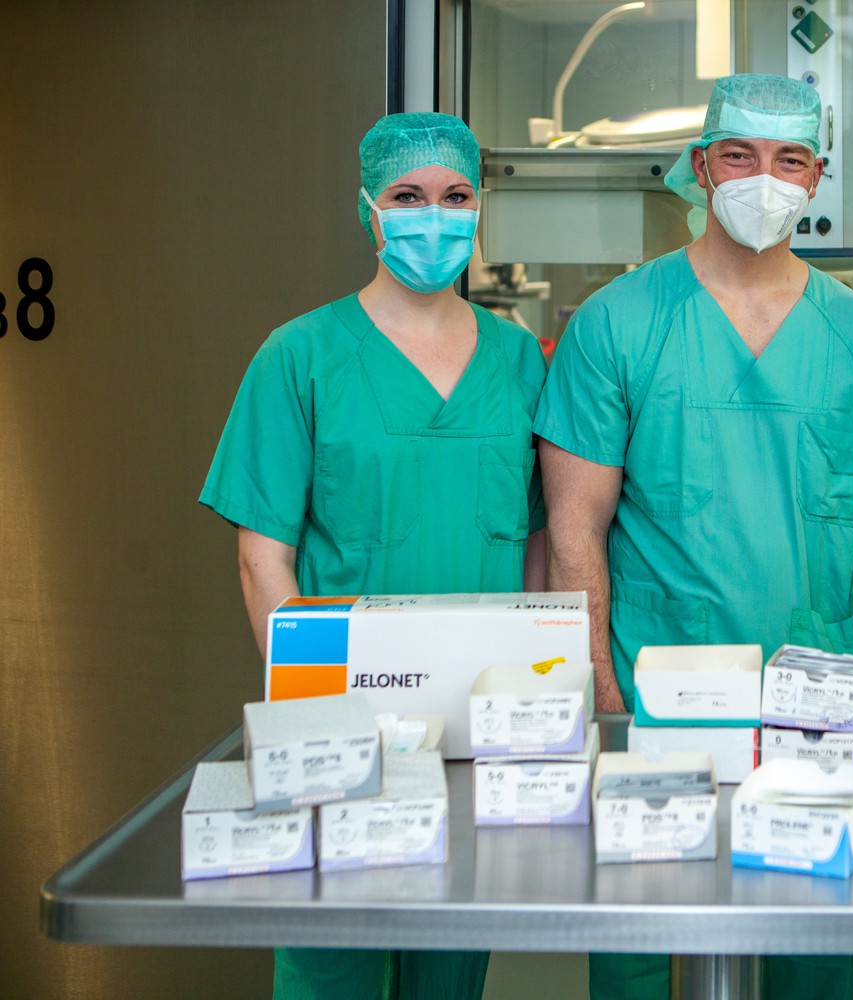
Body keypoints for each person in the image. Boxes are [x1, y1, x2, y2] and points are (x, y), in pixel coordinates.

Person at [535, 73, 853, 1000]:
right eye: (740, 156)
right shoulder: (619, 322)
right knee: (634, 935)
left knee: (813, 943)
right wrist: (600, 695)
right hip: (651, 692)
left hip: (817, 694)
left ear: (817, 177)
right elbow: (573, 529)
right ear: (701, 166)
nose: (764, 178)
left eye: (789, 159)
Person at [200, 112, 547, 1000]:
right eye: (408, 197)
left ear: (480, 208)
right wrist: (315, 717)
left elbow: (543, 544)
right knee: (332, 959)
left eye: (455, 197)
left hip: (478, 732)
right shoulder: (301, 357)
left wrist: (538, 703)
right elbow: (262, 557)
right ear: (370, 210)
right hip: (343, 733)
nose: (434, 216)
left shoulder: (519, 360)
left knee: (451, 960)